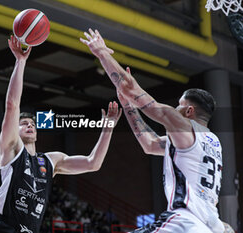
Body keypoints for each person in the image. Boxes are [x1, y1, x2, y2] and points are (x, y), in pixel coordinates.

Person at [81, 29, 224, 233]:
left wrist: (102, 53)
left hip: (184, 221)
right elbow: (149, 144)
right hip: (208, 225)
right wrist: (128, 106)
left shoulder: (183, 125)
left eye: (179, 105)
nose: (175, 109)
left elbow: (132, 88)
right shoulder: (212, 142)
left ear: (189, 110)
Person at [0, 35, 122, 233]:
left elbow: (93, 163)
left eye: (32, 124)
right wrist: (20, 61)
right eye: (23, 124)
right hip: (4, 227)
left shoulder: (50, 161)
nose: (29, 126)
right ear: (16, 130)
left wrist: (108, 128)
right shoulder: (12, 149)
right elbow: (12, 105)